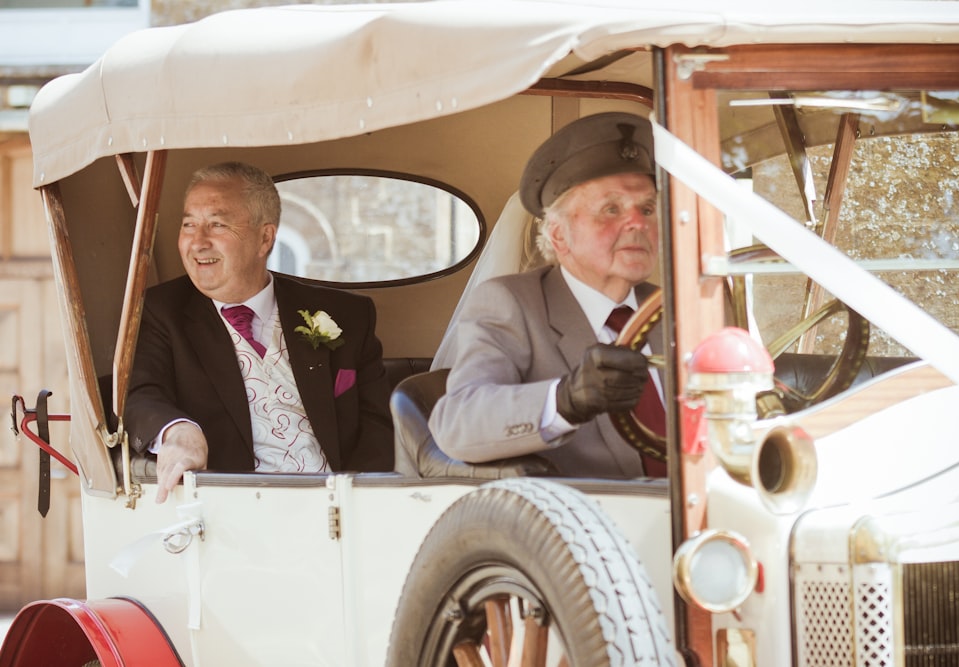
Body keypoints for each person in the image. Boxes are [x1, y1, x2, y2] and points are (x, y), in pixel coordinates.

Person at [125, 162, 394, 503]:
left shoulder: (347, 315)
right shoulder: (160, 311)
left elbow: (377, 426)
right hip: (229, 513)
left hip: (338, 510)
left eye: (217, 224)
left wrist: (357, 504)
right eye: (189, 224)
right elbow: (140, 395)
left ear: (265, 237)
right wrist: (177, 431)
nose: (197, 242)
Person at [428, 112, 664, 478]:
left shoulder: (677, 311)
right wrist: (565, 400)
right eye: (611, 209)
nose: (638, 223)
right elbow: (458, 423)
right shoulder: (513, 306)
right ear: (558, 235)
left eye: (647, 208)